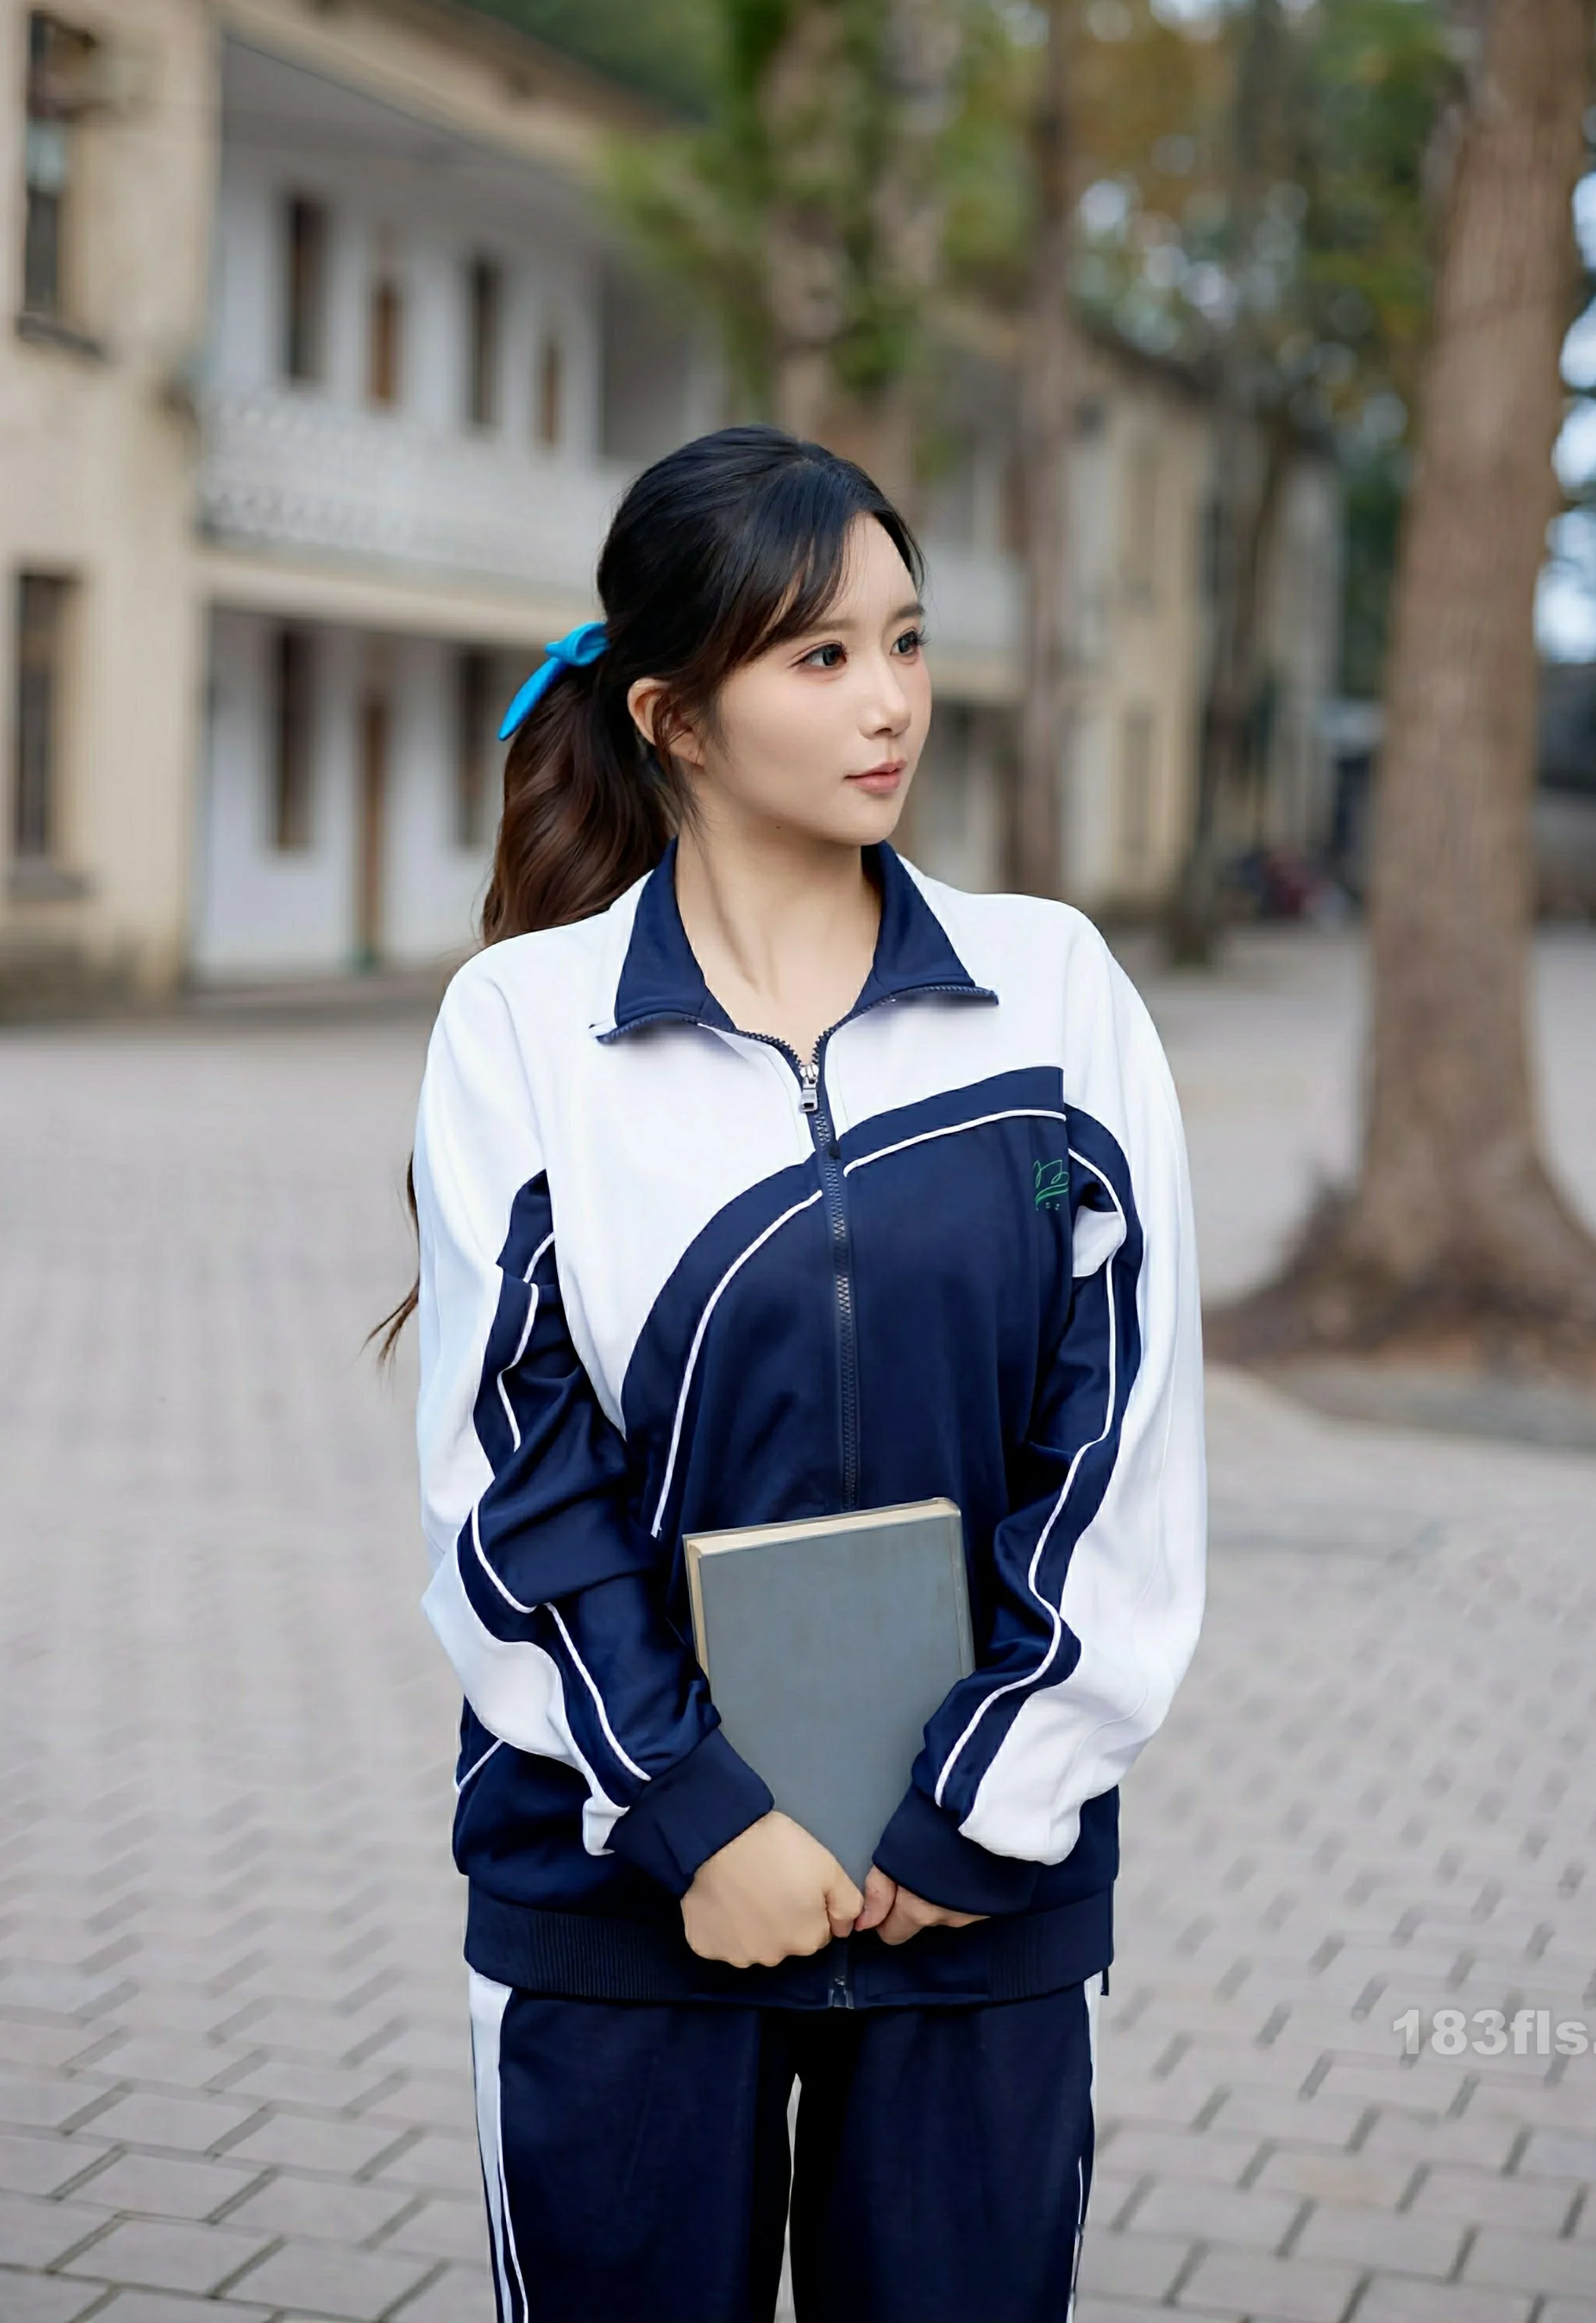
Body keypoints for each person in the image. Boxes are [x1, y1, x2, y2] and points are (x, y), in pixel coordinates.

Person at [399, 425, 1208, 2323]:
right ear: (674, 717)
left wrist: (978, 1805)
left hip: (975, 1893)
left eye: (905, 641)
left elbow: (1124, 1433)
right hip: (625, 1892)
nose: (890, 701)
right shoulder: (526, 1025)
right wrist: (700, 1815)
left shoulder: (1051, 991)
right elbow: (512, 1477)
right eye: (821, 655)